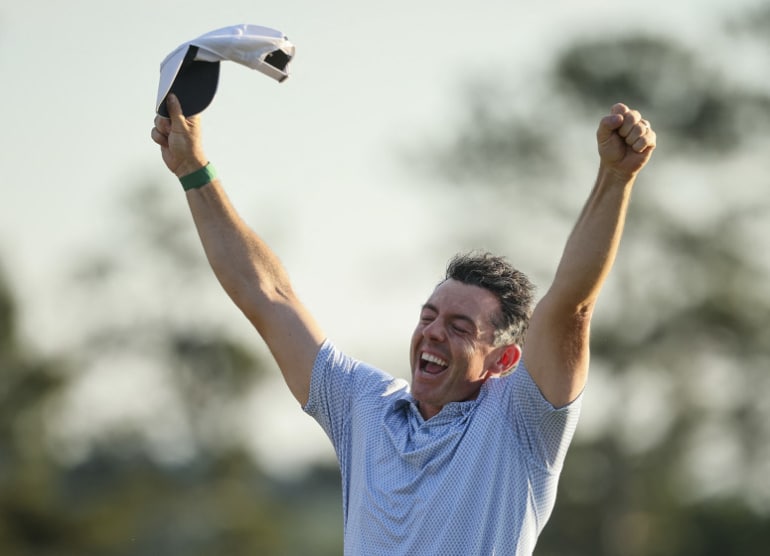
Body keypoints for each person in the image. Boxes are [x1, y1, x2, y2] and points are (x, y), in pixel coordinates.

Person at [151, 94, 656, 555]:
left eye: (460, 327)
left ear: (503, 360)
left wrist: (615, 178)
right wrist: (194, 169)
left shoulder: (522, 422)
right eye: (429, 316)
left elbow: (571, 308)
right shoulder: (364, 408)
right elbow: (268, 296)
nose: (433, 332)